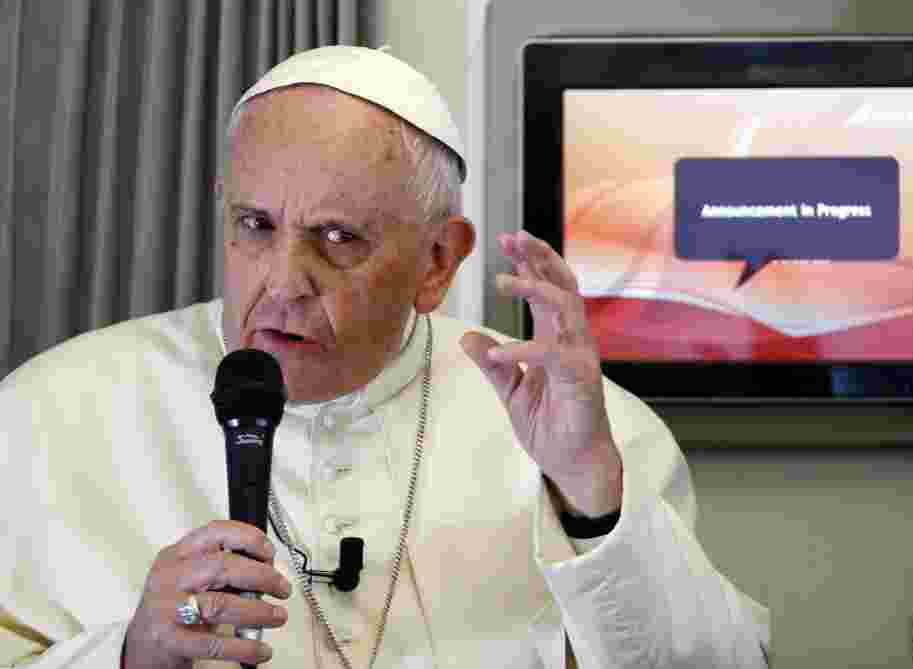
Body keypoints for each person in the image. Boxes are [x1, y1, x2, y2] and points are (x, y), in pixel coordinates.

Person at [0, 46, 770, 668]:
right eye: (256, 224)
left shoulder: (577, 434)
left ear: (438, 260)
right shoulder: (48, 412)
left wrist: (593, 500)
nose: (284, 282)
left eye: (338, 237)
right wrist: (129, 655)